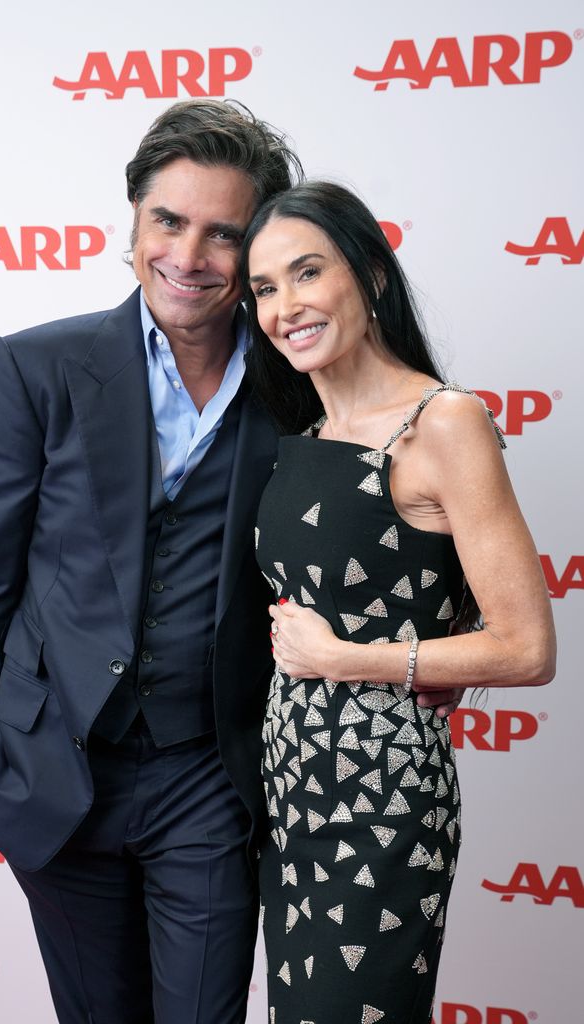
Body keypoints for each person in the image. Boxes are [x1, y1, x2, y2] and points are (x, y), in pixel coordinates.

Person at [0, 102, 463, 1024]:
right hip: (55, 773)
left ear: (253, 253)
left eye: (223, 234)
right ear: (132, 225)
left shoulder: (302, 390)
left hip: (210, 782)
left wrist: (437, 643)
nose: (189, 255)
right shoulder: (37, 369)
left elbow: (390, 510)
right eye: (168, 222)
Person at [240, 181, 556, 1023]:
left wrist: (350, 661)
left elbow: (528, 647)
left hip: (382, 803)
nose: (284, 307)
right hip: (290, 789)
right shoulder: (302, 437)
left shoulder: (440, 421)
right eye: (265, 288)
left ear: (372, 276)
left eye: (307, 273)